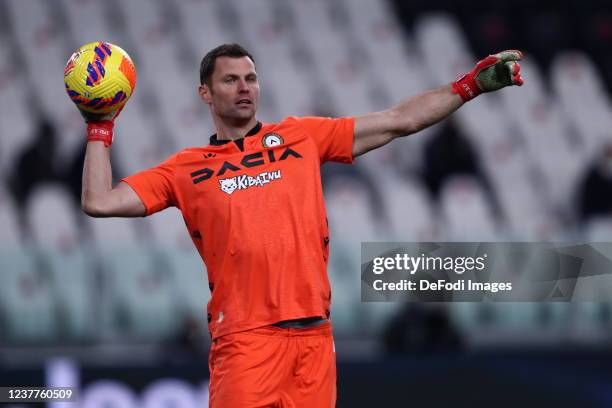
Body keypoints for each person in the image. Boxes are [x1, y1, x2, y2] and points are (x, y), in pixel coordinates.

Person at [79, 43, 523, 407]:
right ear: (206, 94)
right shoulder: (186, 169)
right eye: (230, 80)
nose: (244, 88)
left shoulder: (299, 137)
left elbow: (398, 121)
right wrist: (100, 126)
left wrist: (470, 86)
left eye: (250, 78)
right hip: (245, 343)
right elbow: (99, 201)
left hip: (314, 341)